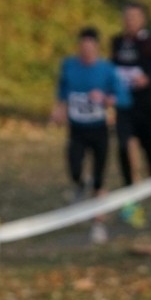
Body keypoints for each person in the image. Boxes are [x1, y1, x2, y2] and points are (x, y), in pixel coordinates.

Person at [52, 27, 127, 243]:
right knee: (74, 167)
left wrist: (106, 99)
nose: (86, 51)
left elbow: (122, 97)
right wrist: (59, 108)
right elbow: (63, 88)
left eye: (90, 47)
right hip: (77, 129)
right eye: (82, 47)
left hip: (99, 130)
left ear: (96, 48)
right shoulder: (69, 66)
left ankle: (98, 224)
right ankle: (80, 184)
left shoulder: (107, 69)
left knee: (99, 179)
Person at [109, 2, 151, 226]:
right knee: (124, 149)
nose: (130, 21)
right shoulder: (117, 42)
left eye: (134, 17)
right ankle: (131, 199)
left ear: (142, 20)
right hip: (124, 108)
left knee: (150, 153)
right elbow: (113, 70)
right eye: (127, 17)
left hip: (145, 108)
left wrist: (149, 80)